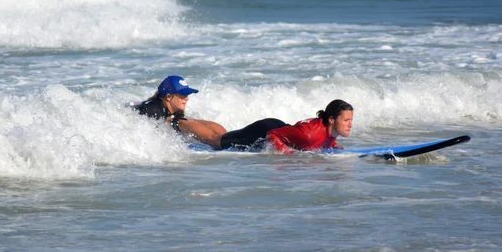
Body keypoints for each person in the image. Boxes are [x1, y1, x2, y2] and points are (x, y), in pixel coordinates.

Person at [219, 99, 354, 154]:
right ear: (331, 120)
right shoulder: (309, 135)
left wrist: (334, 144)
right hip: (264, 131)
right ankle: (196, 122)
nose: (350, 124)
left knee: (223, 136)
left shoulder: (329, 131)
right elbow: (272, 134)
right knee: (216, 141)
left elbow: (324, 136)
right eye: (346, 120)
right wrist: (288, 153)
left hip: (283, 130)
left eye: (351, 120)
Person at [131, 75, 227, 149]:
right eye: (182, 95)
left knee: (182, 120)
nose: (187, 98)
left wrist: (225, 136)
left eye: (187, 94)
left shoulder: (172, 108)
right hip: (131, 113)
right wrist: (215, 140)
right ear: (168, 97)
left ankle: (224, 137)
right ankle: (219, 140)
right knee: (179, 122)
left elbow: (193, 122)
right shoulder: (153, 111)